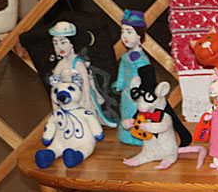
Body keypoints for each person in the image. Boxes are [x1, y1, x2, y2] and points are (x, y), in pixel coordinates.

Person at [49, 20, 117, 127]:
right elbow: (55, 84)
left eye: (63, 42)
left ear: (72, 44)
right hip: (66, 98)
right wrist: (54, 102)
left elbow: (85, 82)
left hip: (81, 97)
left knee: (85, 121)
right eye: (55, 43)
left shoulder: (78, 64)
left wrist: (87, 101)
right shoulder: (60, 65)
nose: (59, 47)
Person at [112, 10, 151, 145]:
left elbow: (147, 79)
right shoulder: (125, 57)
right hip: (126, 94)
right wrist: (119, 84)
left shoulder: (142, 60)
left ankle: (138, 137)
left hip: (137, 95)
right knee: (126, 113)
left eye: (129, 32)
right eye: (123, 32)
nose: (124, 36)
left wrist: (143, 92)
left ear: (139, 35)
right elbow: (122, 72)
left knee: (137, 115)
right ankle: (126, 135)